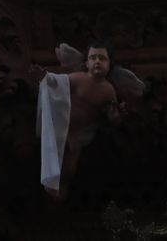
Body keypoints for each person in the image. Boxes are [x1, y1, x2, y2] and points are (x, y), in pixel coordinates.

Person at [30, 42, 133, 198]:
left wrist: (115, 116)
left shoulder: (108, 90)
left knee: (69, 168)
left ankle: (61, 195)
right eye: (93, 57)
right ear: (86, 63)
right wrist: (45, 77)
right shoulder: (79, 78)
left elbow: (111, 115)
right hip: (63, 127)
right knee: (54, 158)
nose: (97, 61)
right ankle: (50, 189)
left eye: (102, 58)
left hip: (81, 133)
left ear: (110, 64)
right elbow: (59, 83)